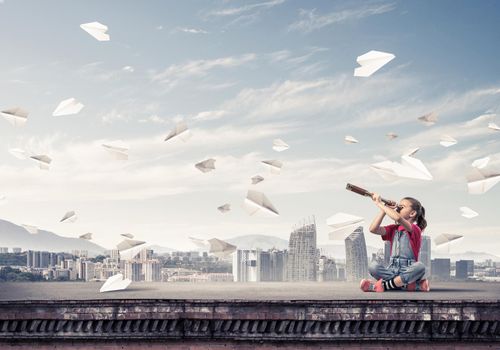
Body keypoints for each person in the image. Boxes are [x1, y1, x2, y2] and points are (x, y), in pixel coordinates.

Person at [360, 193, 429, 292]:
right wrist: (384, 210)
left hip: (408, 270)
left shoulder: (414, 229)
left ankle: (382, 286)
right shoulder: (393, 229)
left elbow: (398, 218)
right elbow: (373, 229)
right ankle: (410, 285)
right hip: (391, 270)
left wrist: (379, 203)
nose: (398, 208)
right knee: (373, 266)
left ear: (412, 213)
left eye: (402, 207)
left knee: (420, 267)